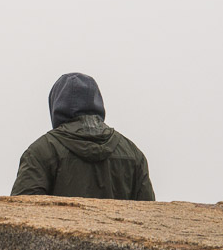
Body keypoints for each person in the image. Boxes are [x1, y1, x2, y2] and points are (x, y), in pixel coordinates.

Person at [11, 72, 155, 200]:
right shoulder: (133, 154)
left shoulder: (41, 151)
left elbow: (22, 214)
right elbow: (149, 219)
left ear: (55, 106)